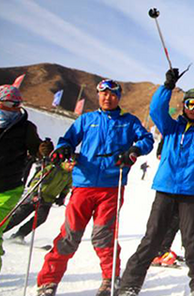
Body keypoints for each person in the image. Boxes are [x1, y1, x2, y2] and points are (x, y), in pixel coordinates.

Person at [37, 79, 154, 296]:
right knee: (69, 235)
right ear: (98, 96)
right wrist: (63, 149)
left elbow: (147, 140)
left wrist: (134, 150)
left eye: (112, 94)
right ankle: (48, 281)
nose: (107, 97)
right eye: (103, 94)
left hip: (111, 186)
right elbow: (68, 139)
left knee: (104, 236)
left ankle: (110, 280)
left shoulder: (128, 122)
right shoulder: (87, 119)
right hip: (84, 184)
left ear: (118, 97)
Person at [119, 71, 194, 296]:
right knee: (152, 238)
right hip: (165, 190)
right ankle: (129, 284)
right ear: (183, 106)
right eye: (189, 104)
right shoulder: (170, 128)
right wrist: (167, 87)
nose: (193, 109)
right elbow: (156, 111)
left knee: (191, 240)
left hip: (191, 193)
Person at [0, 84, 42, 273]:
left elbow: (37, 150)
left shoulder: (25, 128)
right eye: (10, 104)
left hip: (9, 187)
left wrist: (43, 149)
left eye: (18, 104)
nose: (15, 108)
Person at [5, 139, 72, 242]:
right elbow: (36, 180)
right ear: (66, 162)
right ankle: (2, 230)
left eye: (74, 166)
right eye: (70, 164)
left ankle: (19, 235)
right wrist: (35, 193)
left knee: (40, 219)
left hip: (47, 200)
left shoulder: (69, 176)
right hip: (36, 196)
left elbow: (66, 187)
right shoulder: (53, 168)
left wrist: (62, 197)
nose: (71, 167)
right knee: (19, 216)